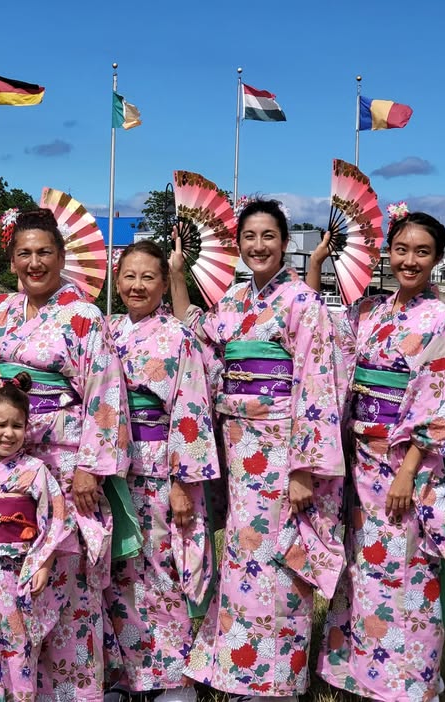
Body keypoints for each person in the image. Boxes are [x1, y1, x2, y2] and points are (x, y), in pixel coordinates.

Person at [0, 208, 130, 702]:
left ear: (61, 258)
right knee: (4, 581)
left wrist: (88, 468)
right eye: (24, 254)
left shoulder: (83, 317)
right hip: (1, 465)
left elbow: (103, 391)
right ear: (11, 260)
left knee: (66, 581)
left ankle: (73, 691)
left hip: (60, 457)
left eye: (44, 253)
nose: (34, 263)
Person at [307, 211, 445, 701]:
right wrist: (315, 268)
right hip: (360, 459)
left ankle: (410, 680)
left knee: (405, 569)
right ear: (388, 252)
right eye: (402, 250)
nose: (410, 261)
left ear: (437, 258)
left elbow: (439, 400)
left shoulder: (439, 320)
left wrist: (408, 471)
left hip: (401, 463)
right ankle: (359, 673)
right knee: (361, 568)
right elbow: (326, 342)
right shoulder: (370, 310)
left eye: (423, 252)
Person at [171, 199, 346, 701]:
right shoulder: (233, 300)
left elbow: (318, 384)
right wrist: (178, 274)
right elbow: (198, 333)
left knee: (283, 561)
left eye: (269, 236)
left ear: (286, 242)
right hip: (240, 446)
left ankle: (280, 681)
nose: (258, 246)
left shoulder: (303, 303)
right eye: (250, 237)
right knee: (245, 561)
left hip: (284, 446)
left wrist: (305, 469)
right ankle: (246, 674)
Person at [104, 241, 220, 701]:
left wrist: (180, 486)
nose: (137, 286)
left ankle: (172, 678)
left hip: (158, 467)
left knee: (162, 572)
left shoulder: (177, 337)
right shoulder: (106, 331)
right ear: (117, 280)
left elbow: (190, 410)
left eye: (148, 277)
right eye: (129, 276)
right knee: (116, 573)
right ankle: (122, 674)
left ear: (163, 282)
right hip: (114, 469)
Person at [0, 371, 76, 701]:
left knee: (19, 650)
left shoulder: (35, 470)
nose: (9, 434)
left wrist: (43, 564)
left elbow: (55, 519)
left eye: (17, 426)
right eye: (0, 425)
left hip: (18, 573)